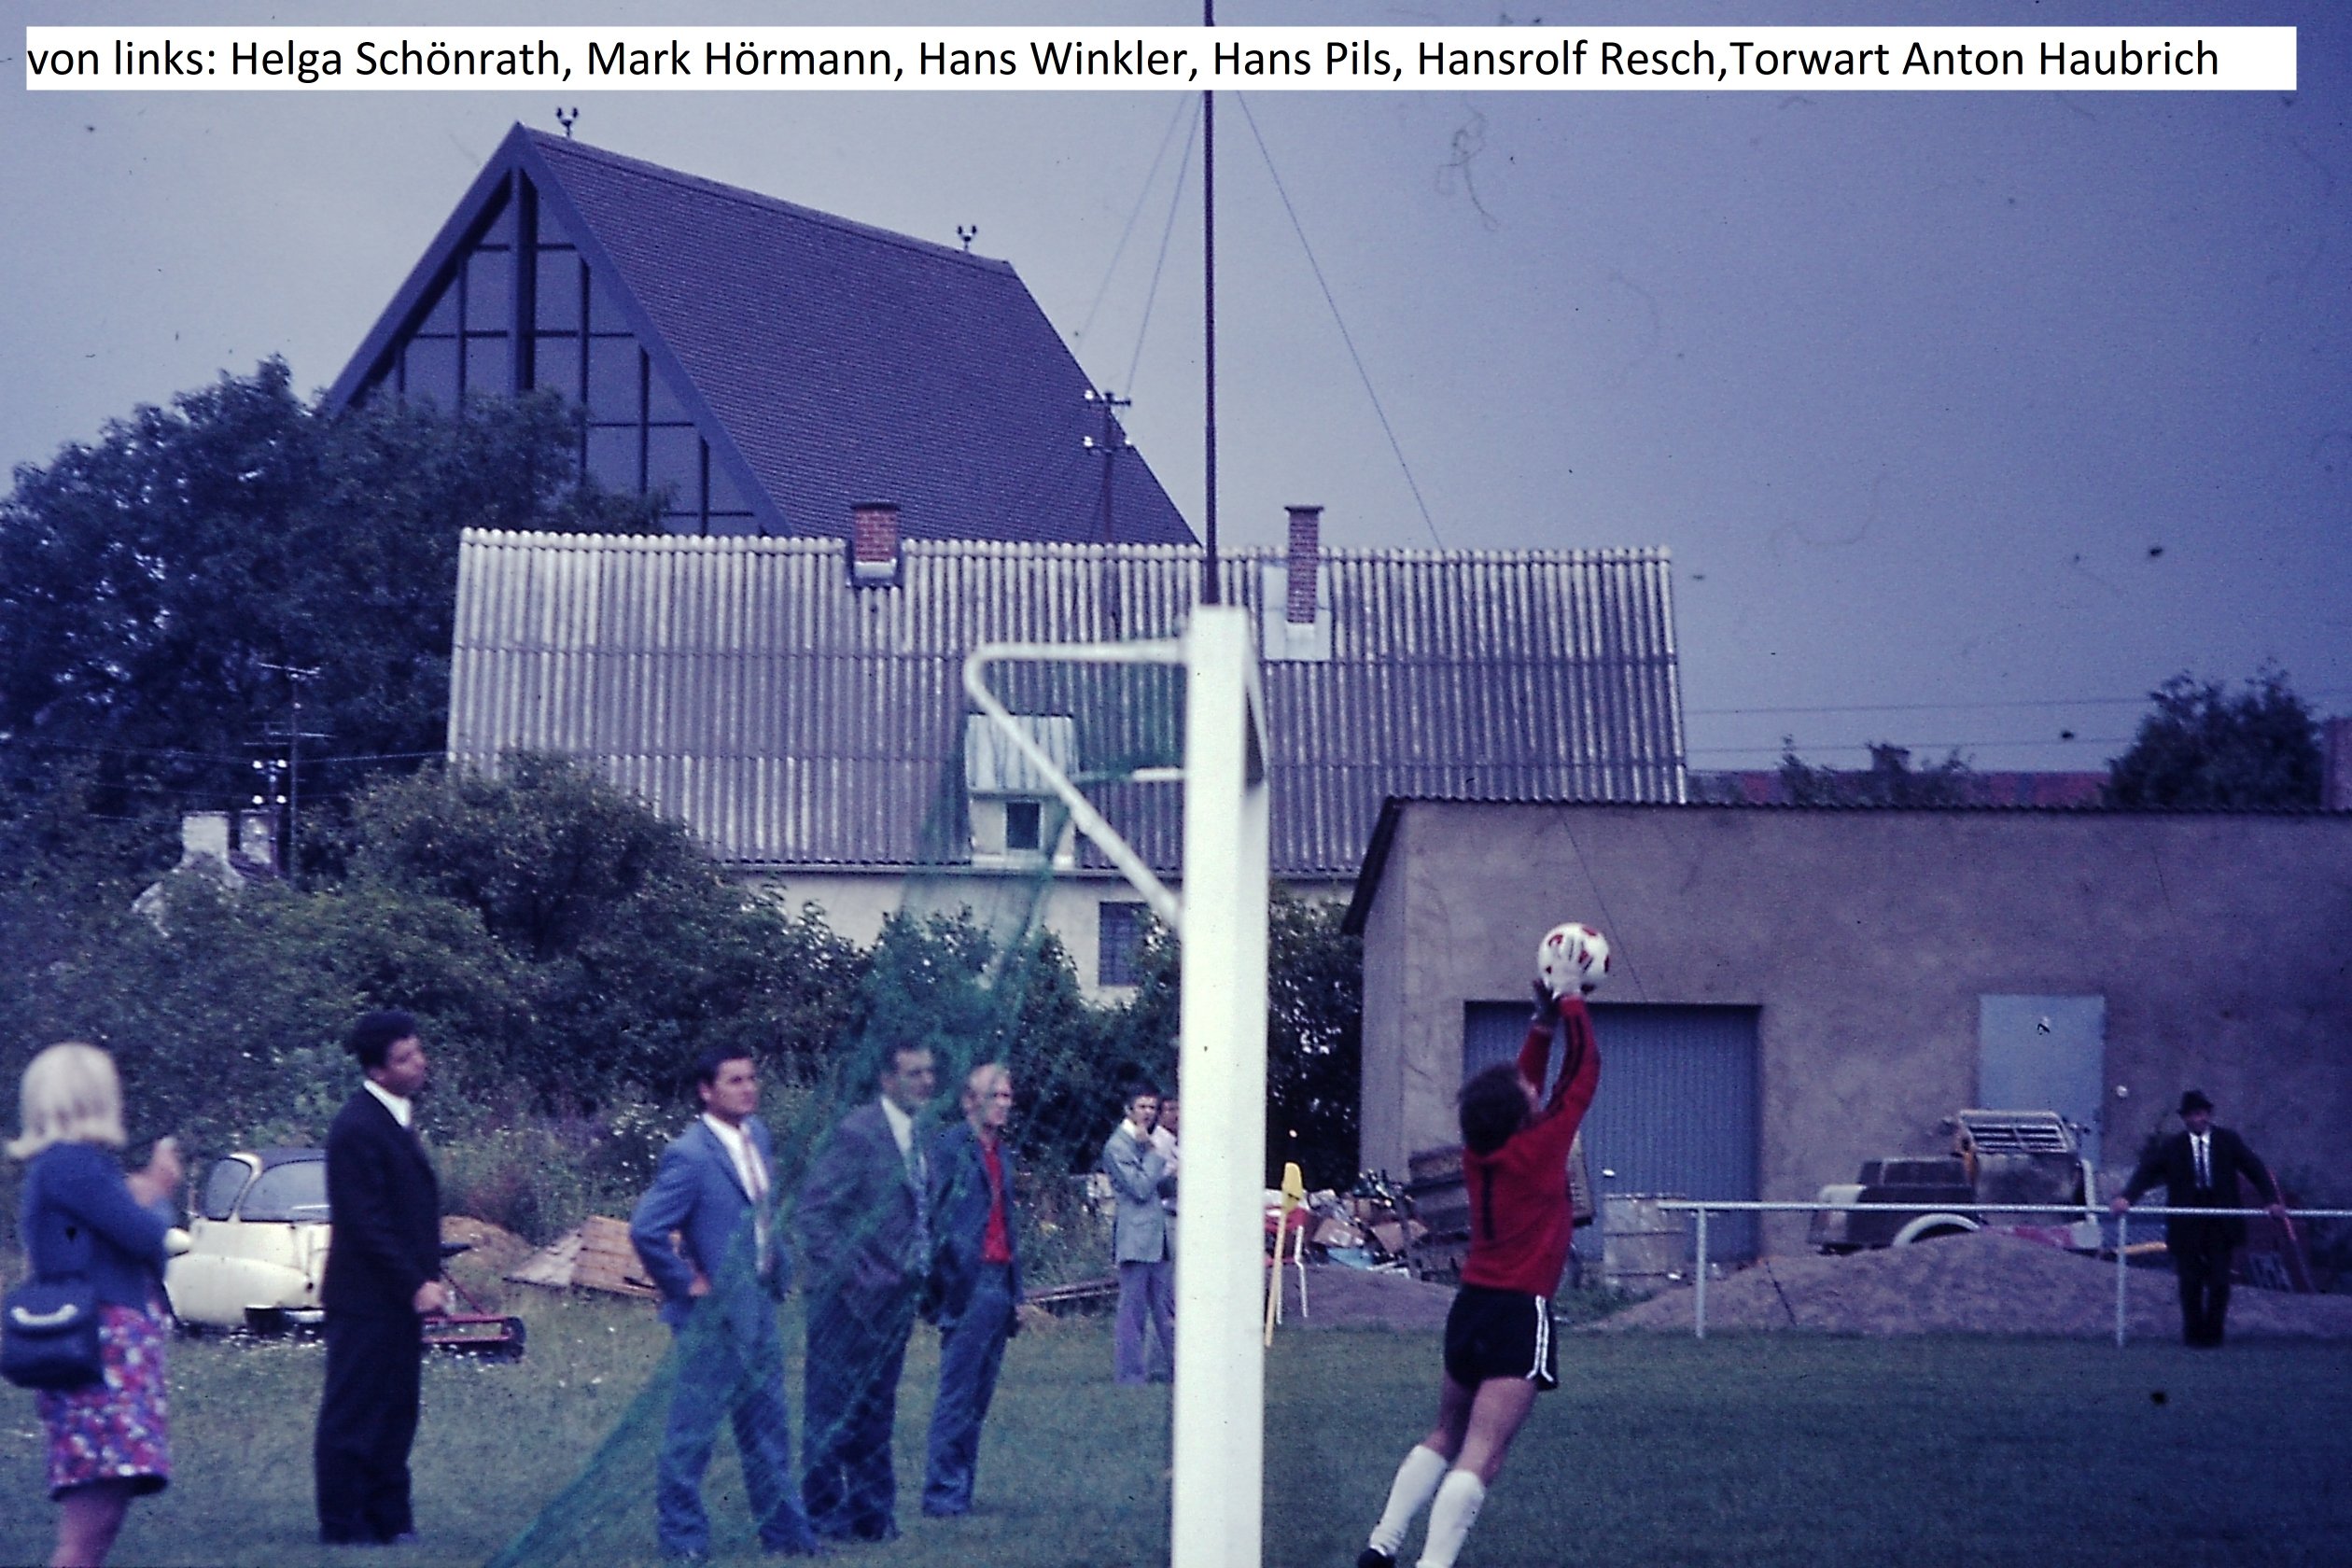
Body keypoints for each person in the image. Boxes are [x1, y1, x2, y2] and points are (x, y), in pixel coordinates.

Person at [1355, 980, 1600, 1568]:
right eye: (1527, 1094)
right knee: (1483, 1451)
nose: (1533, 1090)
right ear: (1521, 1115)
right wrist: (1571, 999)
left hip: (1469, 1308)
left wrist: (1541, 1026)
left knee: (1446, 1432)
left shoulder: (1479, 1151)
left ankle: (1381, 1545)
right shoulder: (1540, 1148)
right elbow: (1585, 1070)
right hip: (1518, 1312)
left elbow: (1522, 1089)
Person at [630, 1047, 819, 1559]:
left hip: (758, 1306)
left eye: (752, 1078)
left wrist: (777, 1266)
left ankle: (787, 1537)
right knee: (692, 1436)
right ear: (706, 1091)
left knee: (768, 1429)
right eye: (734, 1080)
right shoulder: (690, 1155)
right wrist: (683, 1282)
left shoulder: (757, 1136)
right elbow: (646, 1229)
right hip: (709, 1320)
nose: (748, 1088)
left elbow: (763, 1213)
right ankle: (684, 1543)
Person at [11, 1042, 183, 1568]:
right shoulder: (74, 1164)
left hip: (100, 1348)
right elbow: (145, 1238)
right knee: (86, 1534)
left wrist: (141, 1197)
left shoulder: (69, 1168)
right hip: (102, 1352)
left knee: (100, 1521)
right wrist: (157, 1190)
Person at [315, 1009, 444, 1547]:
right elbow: (364, 1222)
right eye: (404, 1058)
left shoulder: (398, 1118)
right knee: (355, 1410)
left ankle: (389, 1518)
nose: (419, 1063)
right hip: (365, 1297)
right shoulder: (356, 1127)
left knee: (396, 1408)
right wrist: (415, 1282)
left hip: (397, 1299)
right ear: (376, 1069)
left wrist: (428, 1274)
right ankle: (345, 1522)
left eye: (418, 1051)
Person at [798, 1042, 936, 1543]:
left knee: (877, 1409)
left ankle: (873, 1516)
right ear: (887, 1080)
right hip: (845, 1302)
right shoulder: (857, 1133)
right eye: (914, 1073)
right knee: (831, 1410)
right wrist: (853, 1276)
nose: (926, 1082)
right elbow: (814, 1216)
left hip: (894, 1300)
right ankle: (822, 1515)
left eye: (929, 1072)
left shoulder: (918, 1135)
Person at [919, 1062, 1025, 1519]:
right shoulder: (949, 1149)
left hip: (1001, 1281)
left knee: (979, 1397)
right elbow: (931, 1219)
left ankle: (960, 1490)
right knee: (957, 1395)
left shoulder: (1002, 1154)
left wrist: (1017, 1293)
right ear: (969, 1101)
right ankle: (943, 1495)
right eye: (993, 1095)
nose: (1002, 1104)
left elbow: (1009, 1224)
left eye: (1007, 1096)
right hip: (968, 1281)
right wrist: (943, 1284)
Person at [2109, 1089, 2287, 1348]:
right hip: (2187, 1221)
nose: (2197, 1119)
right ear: (2185, 1118)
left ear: (2209, 1115)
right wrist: (2127, 1197)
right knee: (2190, 1281)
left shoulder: (2228, 1141)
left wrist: (2271, 1200)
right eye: (2192, 1115)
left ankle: (2213, 1337)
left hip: (2220, 1221)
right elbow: (2147, 1172)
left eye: (2201, 1114)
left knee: (2219, 1280)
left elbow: (2255, 1168)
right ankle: (2193, 1337)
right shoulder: (2173, 1146)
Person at [1100, 1084, 1176, 1386]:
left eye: (1152, 1107)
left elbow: (1156, 1185)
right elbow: (1141, 1188)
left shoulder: (1142, 1143)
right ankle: (1130, 1376)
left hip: (1157, 1237)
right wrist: (1154, 1153)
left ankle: (1179, 1370)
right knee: (1132, 1313)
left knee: (1166, 1308)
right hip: (1135, 1237)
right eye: (1142, 1107)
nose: (1148, 1113)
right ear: (1129, 1109)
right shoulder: (1117, 1146)